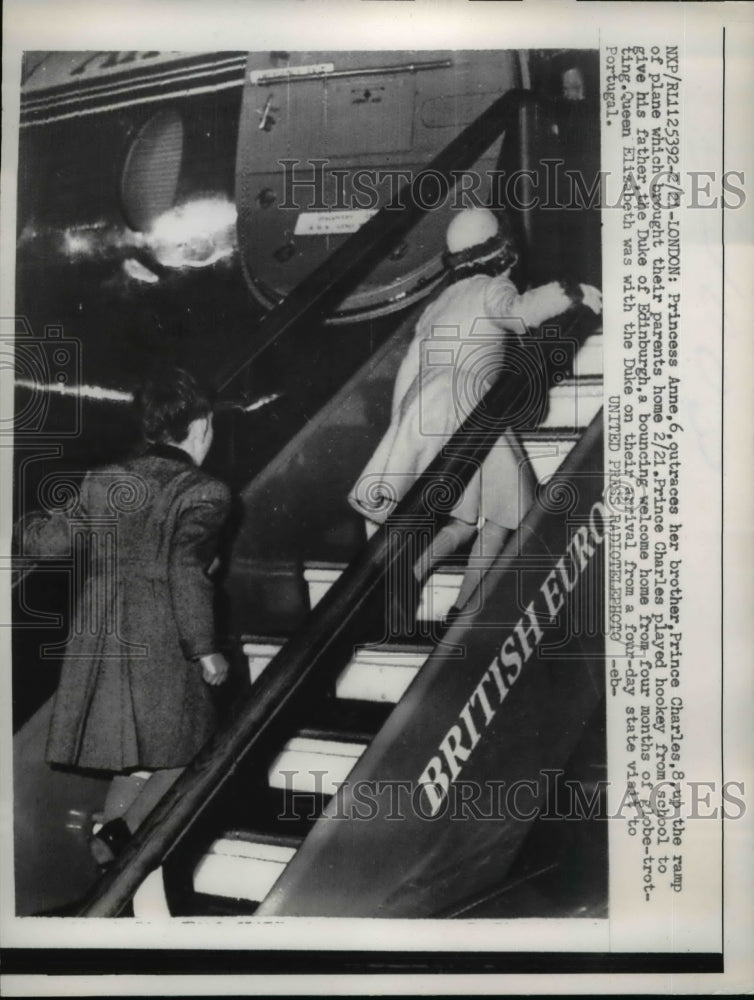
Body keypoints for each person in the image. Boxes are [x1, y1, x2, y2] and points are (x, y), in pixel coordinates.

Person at [348, 207, 601, 627]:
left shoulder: (438, 302)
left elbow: (411, 366)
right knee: (507, 511)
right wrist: (570, 291)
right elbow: (520, 313)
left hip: (428, 408)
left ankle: (408, 575)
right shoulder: (489, 289)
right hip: (471, 408)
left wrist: (404, 425)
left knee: (465, 517)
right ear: (503, 254)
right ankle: (464, 609)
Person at [22, 367, 232, 866]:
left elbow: (47, 542)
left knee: (135, 749)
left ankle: (108, 861)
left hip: (102, 638)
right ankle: (122, 838)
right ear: (200, 427)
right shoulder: (205, 490)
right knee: (197, 752)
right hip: (161, 636)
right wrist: (206, 649)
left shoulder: (103, 480)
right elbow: (184, 569)